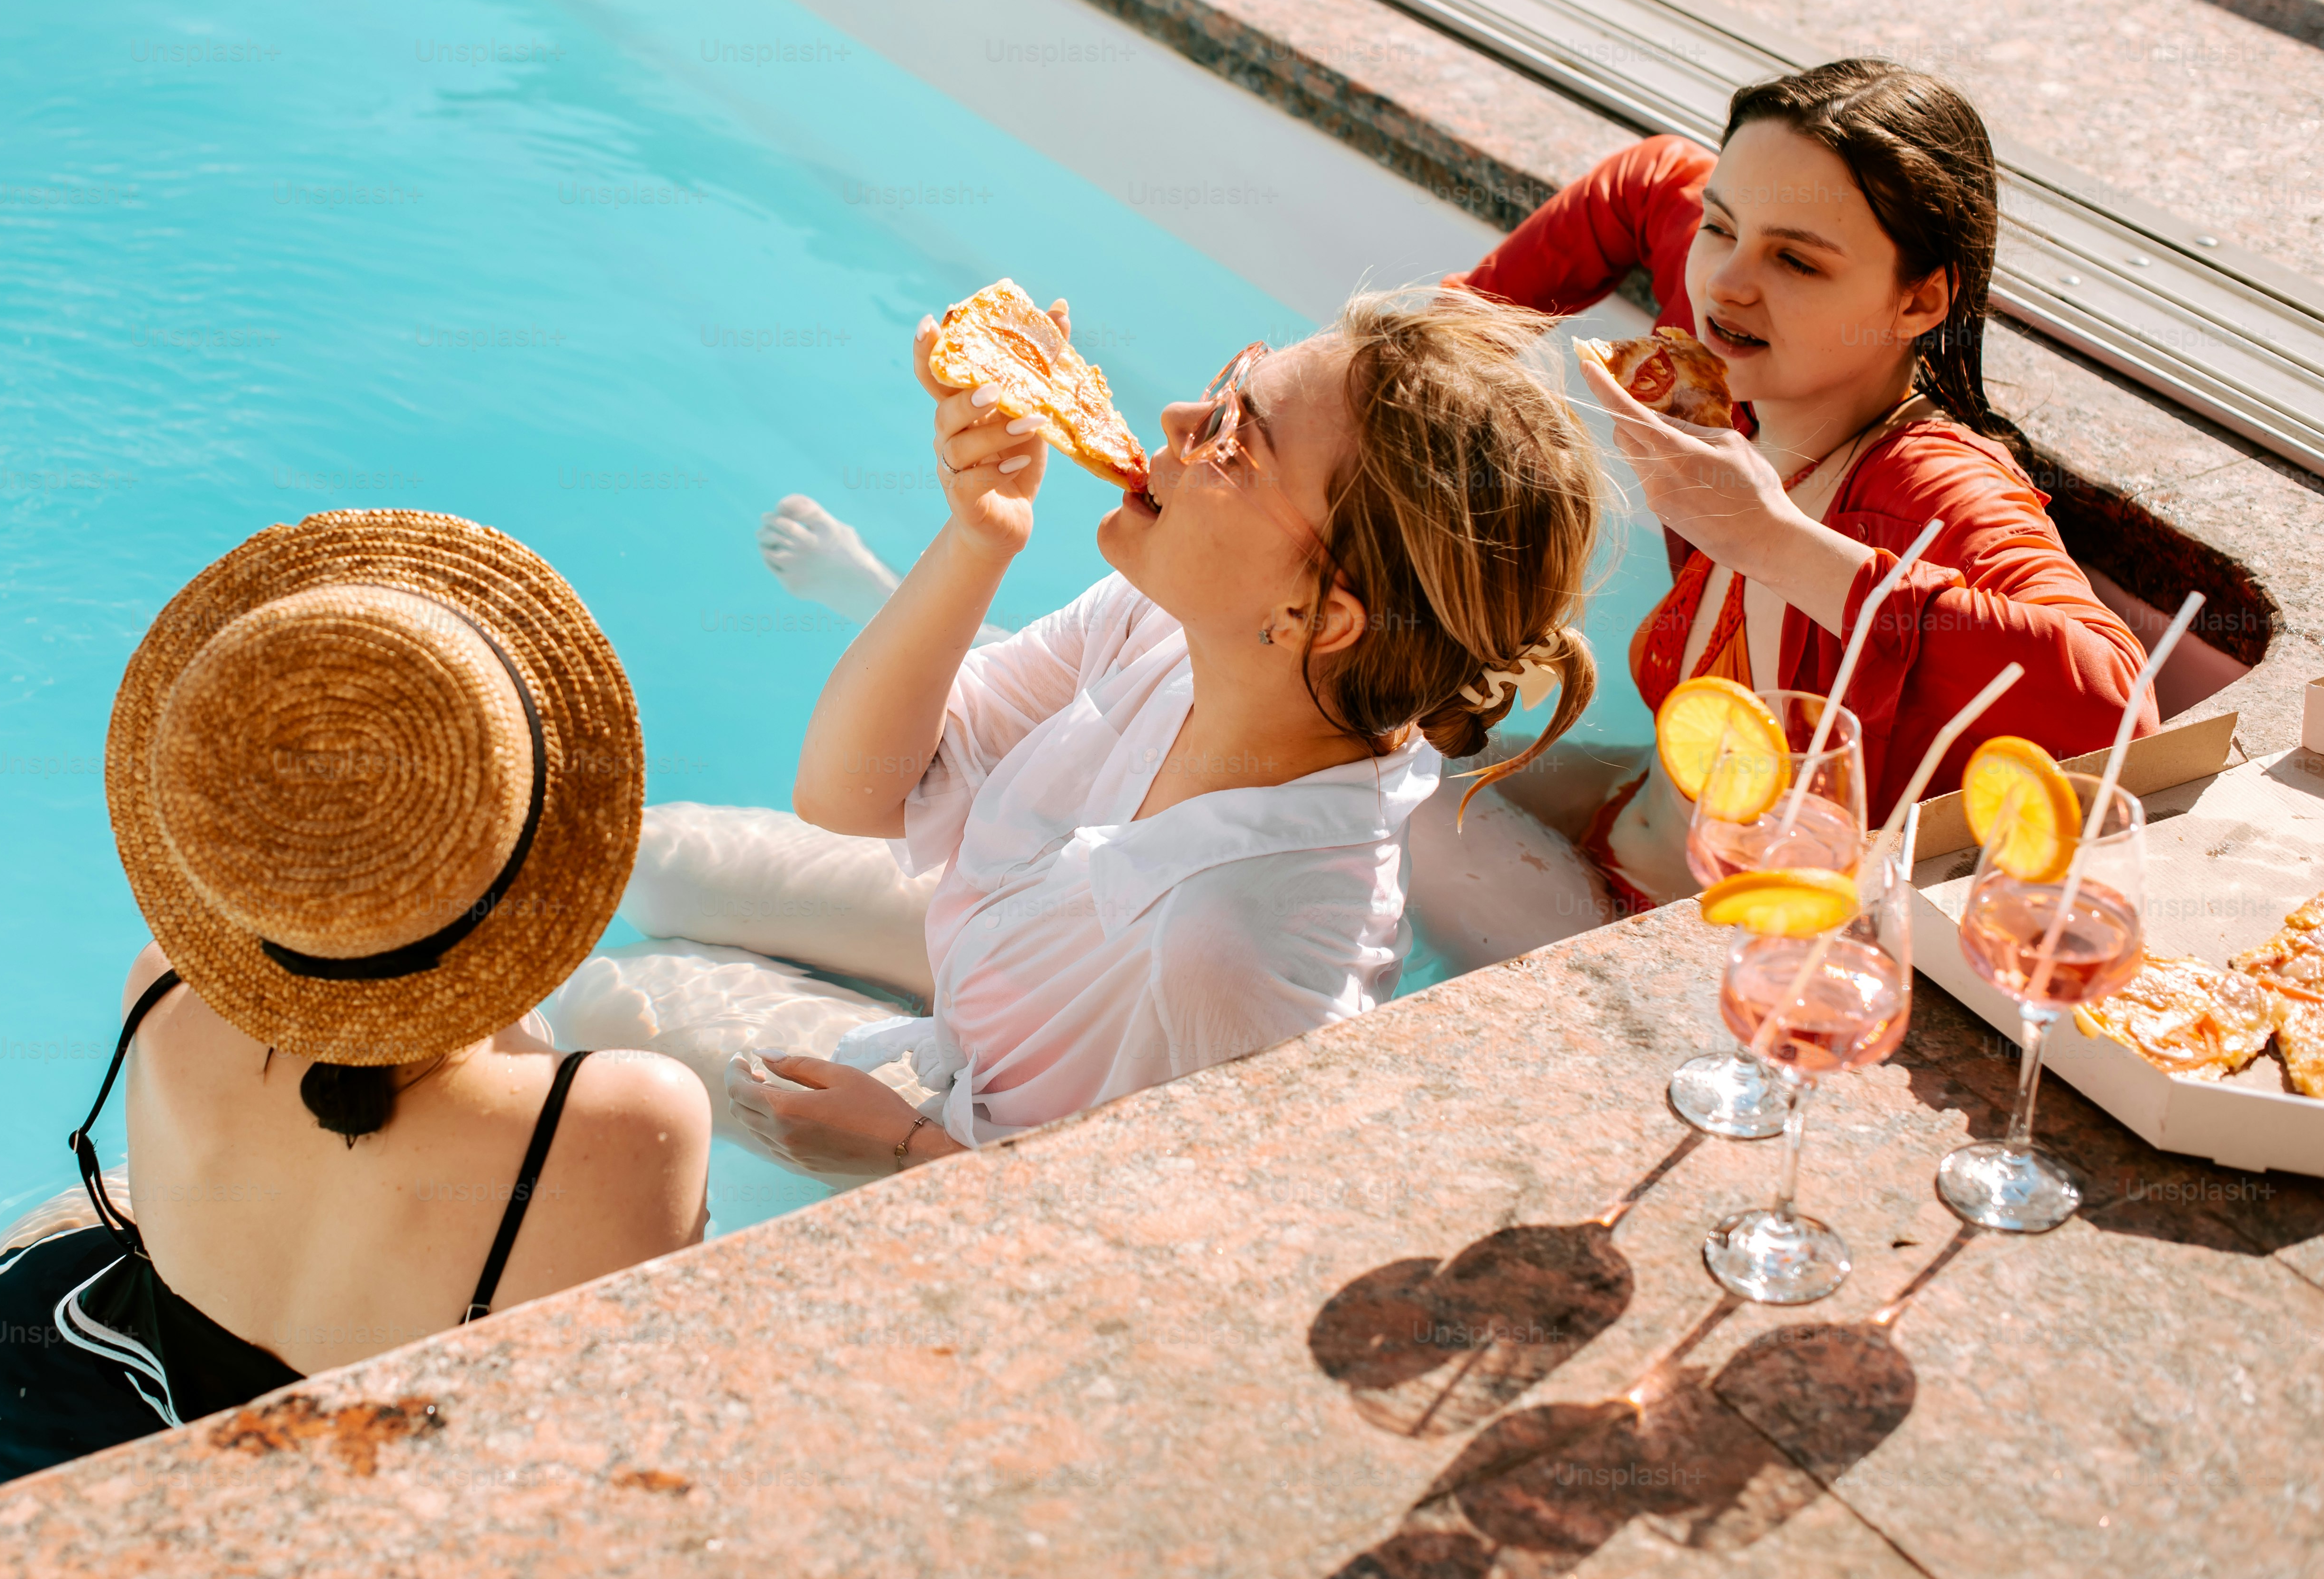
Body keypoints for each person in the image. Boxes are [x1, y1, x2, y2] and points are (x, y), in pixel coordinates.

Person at [548, 287, 1606, 1181]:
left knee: (603, 1002)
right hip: (997, 947)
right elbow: (851, 795)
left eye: (1238, 438)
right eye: (1232, 380)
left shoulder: (1243, 943)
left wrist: (908, 1153)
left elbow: (1189, 1227)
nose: (1181, 415)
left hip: (975, 1132)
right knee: (646, 856)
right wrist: (977, 540)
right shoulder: (1157, 618)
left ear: (1319, 615)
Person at [0, 510, 709, 1495]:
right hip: (300, 1495)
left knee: (99, 1208)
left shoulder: (162, 983)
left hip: (31, 1399)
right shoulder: (618, 1117)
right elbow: (615, 1424)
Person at [1405, 59, 2152, 965]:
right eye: (1722, 228)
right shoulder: (1736, 374)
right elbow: (1646, 187)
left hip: (1714, 949)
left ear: (1920, 299)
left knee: (1387, 825)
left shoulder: (1934, 488)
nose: (1728, 282)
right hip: (1627, 815)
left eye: (1796, 258)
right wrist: (1429, 362)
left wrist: (1767, 538)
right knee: (1357, 772)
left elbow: (2119, 713)